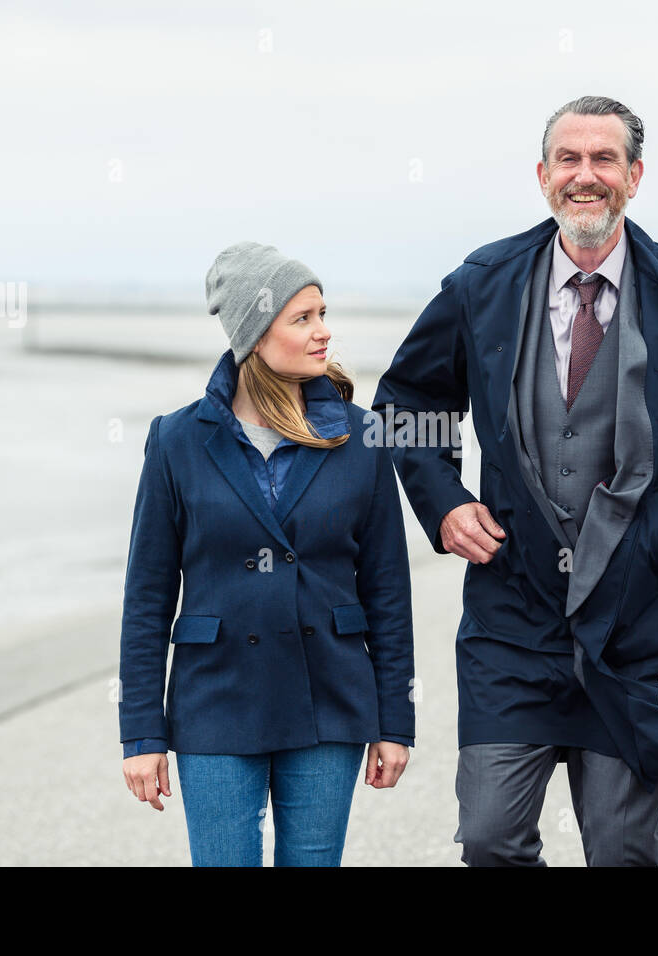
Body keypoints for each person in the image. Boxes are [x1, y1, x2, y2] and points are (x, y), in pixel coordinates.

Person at [373, 95, 658, 866]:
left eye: (603, 160)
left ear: (635, 176)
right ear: (542, 174)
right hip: (510, 621)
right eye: (569, 159)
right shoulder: (482, 283)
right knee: (490, 837)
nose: (584, 176)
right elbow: (407, 402)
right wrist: (445, 499)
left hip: (636, 623)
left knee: (622, 850)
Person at [119, 242, 415, 866]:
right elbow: (147, 599)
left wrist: (395, 721)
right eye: (302, 318)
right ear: (255, 335)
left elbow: (388, 592)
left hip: (330, 702)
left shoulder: (361, 439)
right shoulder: (176, 441)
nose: (323, 332)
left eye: (322, 313)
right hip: (215, 703)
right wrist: (142, 734)